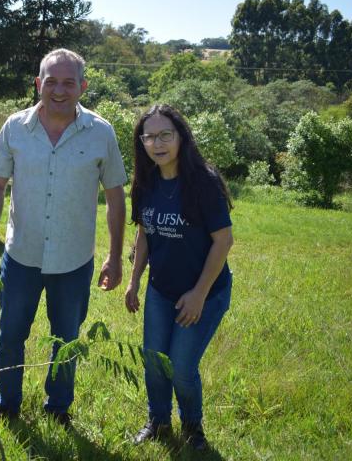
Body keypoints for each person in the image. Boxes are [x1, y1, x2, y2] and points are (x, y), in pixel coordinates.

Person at [0, 48, 127, 427]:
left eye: (68, 82)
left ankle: (58, 408)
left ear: (82, 86)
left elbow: (116, 196)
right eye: (51, 81)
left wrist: (116, 256)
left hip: (73, 261)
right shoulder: (15, 127)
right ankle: (7, 402)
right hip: (20, 255)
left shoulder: (101, 132)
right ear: (38, 84)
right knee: (10, 336)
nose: (59, 90)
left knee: (66, 340)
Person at [124, 104, 234, 451]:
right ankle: (157, 422)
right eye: (149, 137)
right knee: (155, 360)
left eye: (165, 135)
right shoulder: (146, 182)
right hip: (161, 290)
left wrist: (199, 293)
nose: (157, 143)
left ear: (181, 138)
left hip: (205, 291)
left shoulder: (203, 182)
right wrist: (134, 281)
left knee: (182, 366)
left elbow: (223, 240)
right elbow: (144, 234)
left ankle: (192, 428)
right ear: (142, 143)